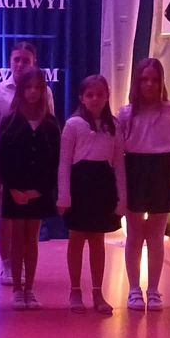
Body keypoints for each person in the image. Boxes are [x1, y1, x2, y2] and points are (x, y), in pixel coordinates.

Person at [118, 57, 170, 312]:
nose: (149, 84)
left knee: (156, 236)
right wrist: (120, 188)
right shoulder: (126, 113)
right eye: (144, 79)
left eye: (154, 80)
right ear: (137, 82)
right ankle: (134, 289)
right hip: (135, 170)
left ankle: (154, 290)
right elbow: (118, 154)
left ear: (161, 82)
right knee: (135, 235)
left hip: (161, 172)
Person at [0, 41, 55, 286]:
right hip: (7, 160)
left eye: (26, 60)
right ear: (10, 61)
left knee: (31, 218)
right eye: (16, 59)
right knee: (6, 213)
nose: (20, 64)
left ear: (34, 62)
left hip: (33, 161)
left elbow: (48, 122)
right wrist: (5, 147)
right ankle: (7, 265)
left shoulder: (45, 91)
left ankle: (25, 266)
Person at [57, 75, 127, 316]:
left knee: (98, 241)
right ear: (82, 98)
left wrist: (122, 198)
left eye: (100, 94)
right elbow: (64, 163)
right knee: (76, 239)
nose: (95, 99)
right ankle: (75, 290)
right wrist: (64, 195)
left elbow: (119, 164)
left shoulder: (114, 126)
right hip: (79, 186)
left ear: (107, 96)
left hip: (102, 187)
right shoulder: (73, 125)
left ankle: (98, 292)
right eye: (90, 95)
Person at [0, 66, 60, 311]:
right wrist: (12, 188)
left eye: (37, 87)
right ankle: (16, 289)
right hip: (15, 190)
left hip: (38, 191)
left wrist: (41, 190)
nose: (32, 92)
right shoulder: (9, 121)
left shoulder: (50, 123)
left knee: (32, 239)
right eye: (28, 87)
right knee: (16, 237)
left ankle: (30, 288)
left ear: (43, 91)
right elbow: (2, 159)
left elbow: (54, 160)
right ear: (21, 90)